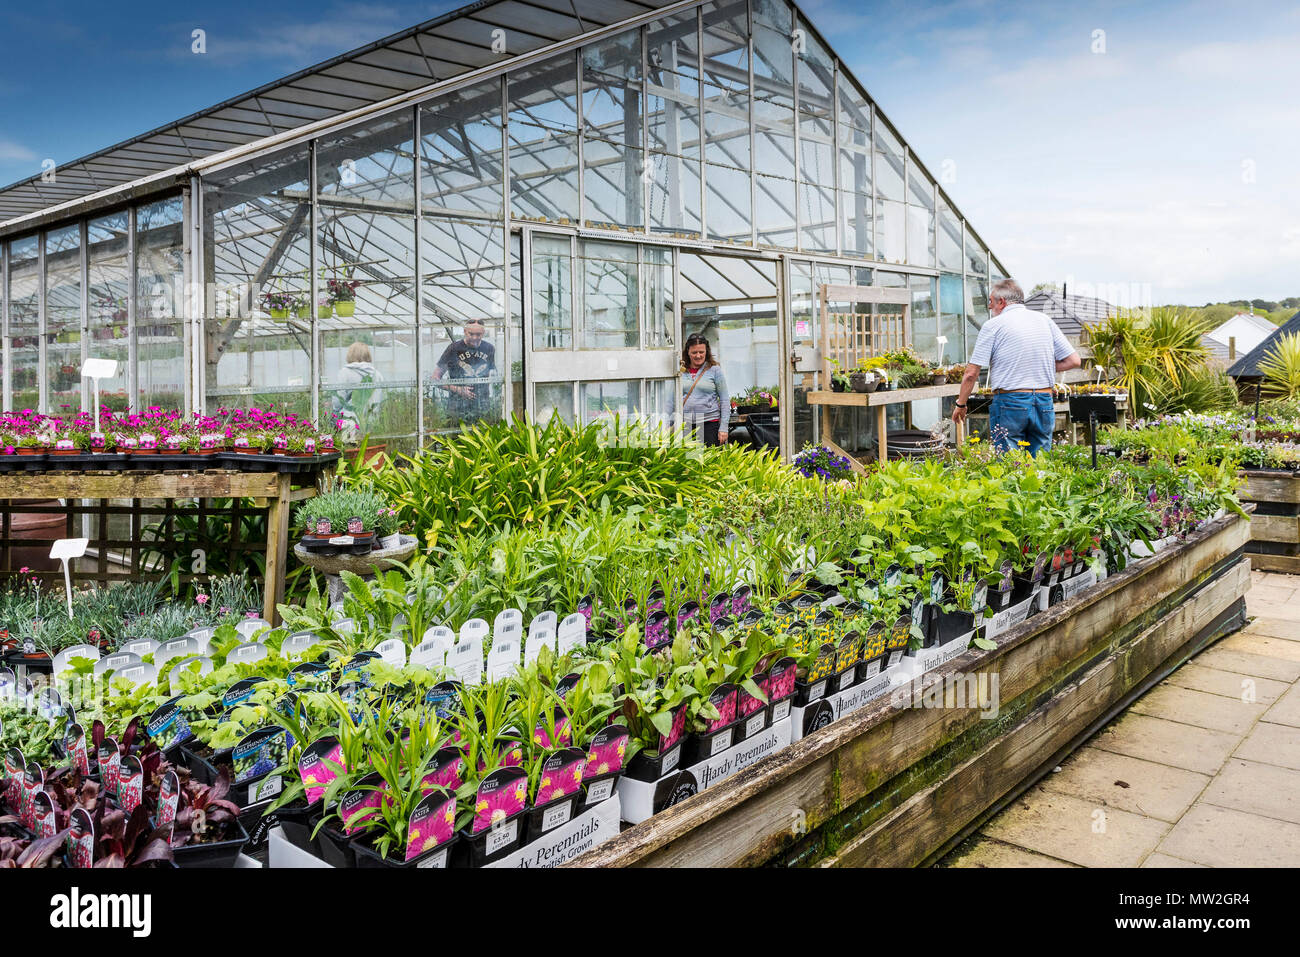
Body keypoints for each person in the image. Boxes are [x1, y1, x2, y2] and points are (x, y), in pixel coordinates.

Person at [952, 279, 1081, 454]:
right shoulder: (1044, 320)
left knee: (1009, 462)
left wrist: (961, 404)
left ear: (1001, 302)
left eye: (990, 301)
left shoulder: (993, 325)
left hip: (1010, 402)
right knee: (1041, 461)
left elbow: (971, 373)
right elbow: (1074, 360)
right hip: (1044, 400)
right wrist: (1037, 365)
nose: (989, 306)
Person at [667, 333, 729, 446]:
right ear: (688, 352)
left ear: (707, 351)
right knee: (690, 456)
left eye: (701, 352)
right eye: (694, 352)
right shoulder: (680, 371)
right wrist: (667, 424)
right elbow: (671, 400)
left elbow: (724, 400)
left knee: (709, 456)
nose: (698, 356)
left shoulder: (715, 370)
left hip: (709, 423)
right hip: (686, 424)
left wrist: (724, 428)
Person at [432, 319, 496, 423]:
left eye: (478, 334)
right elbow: (435, 379)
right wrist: (458, 390)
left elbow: (492, 376)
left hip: (482, 406)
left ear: (483, 333)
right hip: (457, 407)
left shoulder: (489, 348)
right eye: (471, 334)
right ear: (465, 332)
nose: (474, 338)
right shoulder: (454, 349)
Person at [331, 342, 384, 442]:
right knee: (369, 448)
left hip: (349, 422)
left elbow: (338, 402)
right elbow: (380, 400)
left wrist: (335, 413)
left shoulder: (345, 373)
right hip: (371, 422)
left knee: (348, 449)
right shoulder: (377, 374)